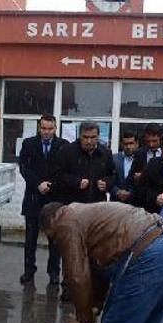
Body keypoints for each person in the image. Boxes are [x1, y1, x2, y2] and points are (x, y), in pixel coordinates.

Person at [53, 121, 115, 301]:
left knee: (94, 252)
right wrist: (75, 182)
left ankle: (92, 289)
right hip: (73, 210)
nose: (89, 141)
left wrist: (107, 183)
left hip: (97, 211)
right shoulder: (67, 152)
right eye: (86, 138)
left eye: (93, 137)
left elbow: (113, 175)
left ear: (98, 137)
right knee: (72, 251)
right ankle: (68, 288)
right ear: (80, 136)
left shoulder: (105, 153)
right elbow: (57, 176)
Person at [18, 114, 67, 286]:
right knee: (30, 238)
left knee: (55, 239)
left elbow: (64, 171)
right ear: (39, 127)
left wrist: (51, 184)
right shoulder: (29, 144)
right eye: (44, 128)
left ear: (55, 128)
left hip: (54, 199)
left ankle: (54, 272)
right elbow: (24, 167)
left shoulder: (63, 146)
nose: (46, 132)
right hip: (33, 197)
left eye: (50, 129)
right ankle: (28, 271)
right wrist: (38, 184)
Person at [131, 123, 163, 206]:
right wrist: (136, 178)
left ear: (161, 138)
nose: (151, 144)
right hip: (144, 201)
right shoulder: (139, 154)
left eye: (154, 141)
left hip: (162, 200)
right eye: (148, 141)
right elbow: (130, 177)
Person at [110, 132, 139, 204]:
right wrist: (117, 191)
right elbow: (108, 179)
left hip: (135, 202)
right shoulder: (113, 159)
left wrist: (130, 193)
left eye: (131, 143)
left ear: (137, 144)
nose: (128, 147)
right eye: (125, 144)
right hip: (116, 203)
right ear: (121, 144)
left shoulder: (142, 159)